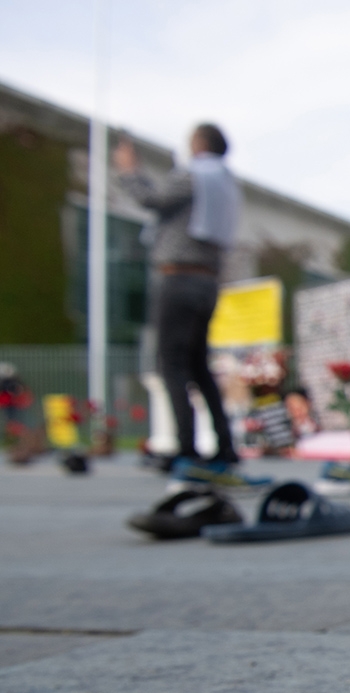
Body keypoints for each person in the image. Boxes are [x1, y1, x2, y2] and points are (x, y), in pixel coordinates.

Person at [115, 124, 245, 480]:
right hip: (207, 280)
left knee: (171, 363)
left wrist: (129, 170)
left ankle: (186, 449)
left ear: (199, 144)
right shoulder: (226, 183)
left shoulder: (195, 174)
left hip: (179, 278)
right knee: (198, 366)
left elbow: (152, 201)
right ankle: (225, 446)